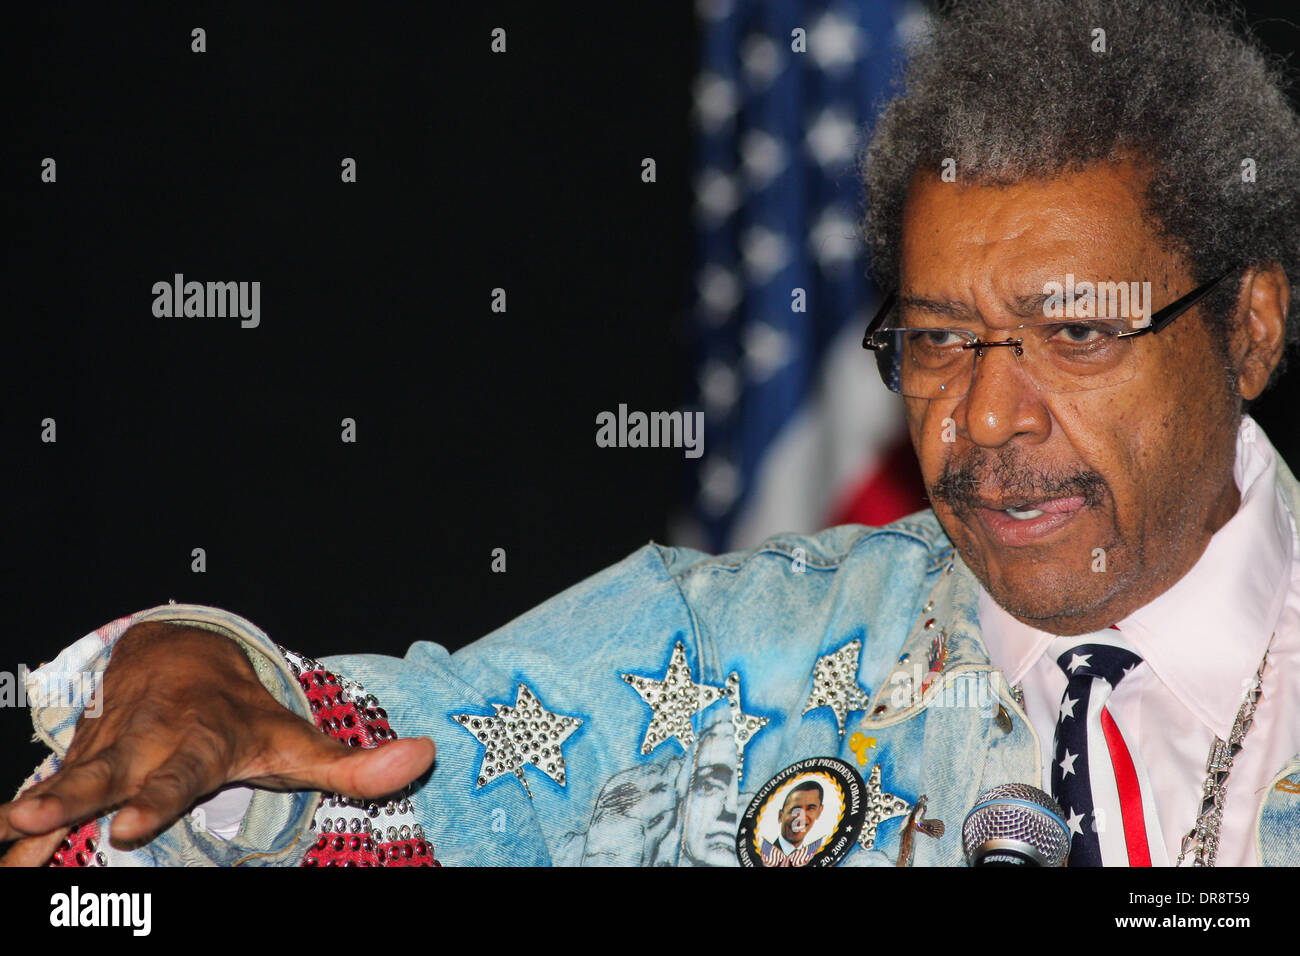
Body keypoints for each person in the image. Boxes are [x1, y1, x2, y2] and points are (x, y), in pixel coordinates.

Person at [5, 0, 1300, 867]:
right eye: (938, 338)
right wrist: (218, 698)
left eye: (1075, 333)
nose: (985, 415)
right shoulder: (724, 659)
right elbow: (393, 770)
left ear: (1248, 327)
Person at [760, 781, 827, 867]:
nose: (801, 817)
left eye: (810, 808)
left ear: (819, 811)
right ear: (781, 815)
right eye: (795, 809)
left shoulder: (814, 857)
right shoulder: (764, 855)